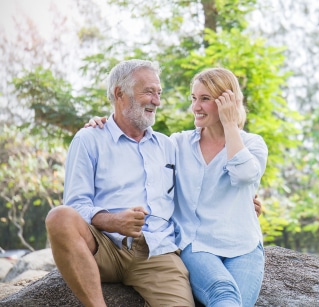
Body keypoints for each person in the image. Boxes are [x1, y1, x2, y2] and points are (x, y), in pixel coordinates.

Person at [88, 67, 268, 307]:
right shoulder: (177, 144)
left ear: (228, 103)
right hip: (196, 243)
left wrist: (231, 125)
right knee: (224, 294)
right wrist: (105, 125)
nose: (195, 107)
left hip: (244, 245)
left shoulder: (252, 144)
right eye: (194, 98)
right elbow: (137, 150)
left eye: (205, 99)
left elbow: (244, 175)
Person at [45, 59, 195, 307]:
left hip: (156, 253)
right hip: (103, 247)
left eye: (158, 93)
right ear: (119, 93)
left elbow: (200, 182)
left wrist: (242, 201)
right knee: (59, 217)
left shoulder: (169, 146)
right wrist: (113, 221)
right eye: (148, 91)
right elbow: (75, 204)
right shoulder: (89, 139)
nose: (156, 101)